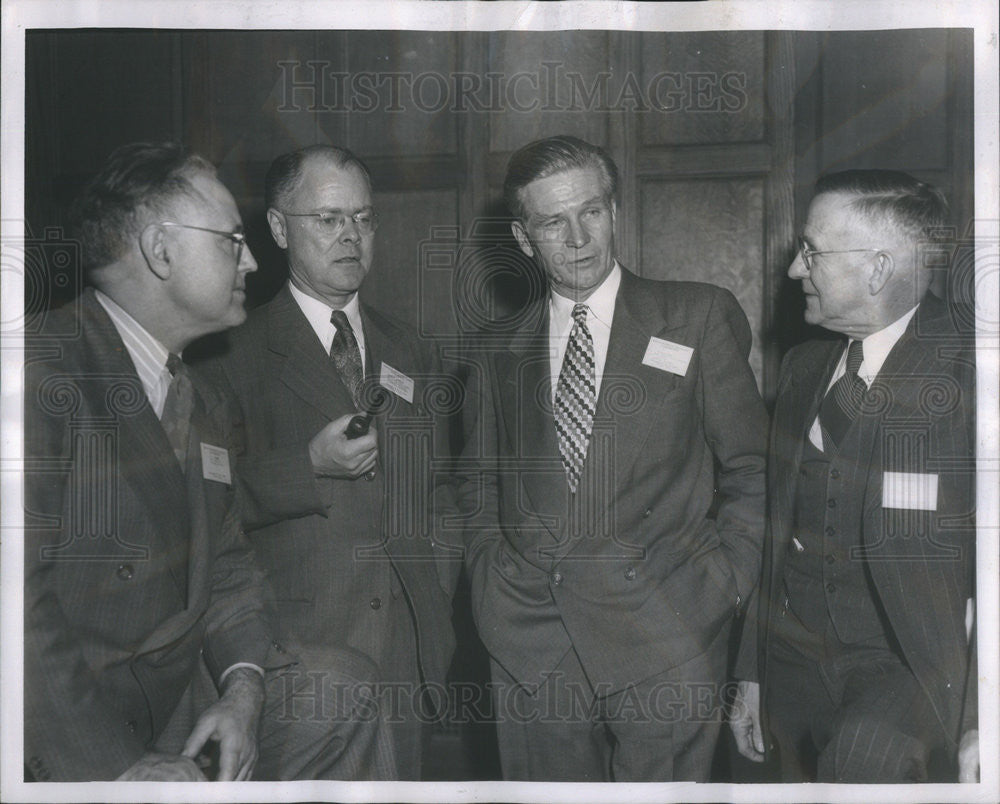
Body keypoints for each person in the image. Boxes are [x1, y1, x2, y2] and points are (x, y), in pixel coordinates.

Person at [23, 142, 395, 782]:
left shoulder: (195, 392)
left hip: (171, 698)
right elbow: (12, 613)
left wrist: (243, 693)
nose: (251, 259)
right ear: (161, 250)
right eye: (230, 240)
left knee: (342, 688)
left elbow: (226, 571)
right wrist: (118, 770)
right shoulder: (38, 374)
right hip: (56, 722)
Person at [457, 134, 768, 781]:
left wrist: (722, 587)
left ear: (616, 213)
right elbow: (477, 489)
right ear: (523, 239)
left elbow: (752, 472)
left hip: (667, 631)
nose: (577, 238)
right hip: (532, 643)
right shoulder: (494, 348)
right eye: (552, 221)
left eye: (591, 212)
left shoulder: (696, 316)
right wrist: (490, 582)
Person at [197, 144, 458, 780]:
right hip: (297, 663)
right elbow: (203, 516)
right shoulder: (225, 354)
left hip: (406, 655)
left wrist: (436, 591)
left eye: (364, 219)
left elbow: (443, 493)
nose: (351, 237)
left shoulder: (411, 350)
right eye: (328, 219)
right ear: (280, 229)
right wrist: (307, 465)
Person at [729, 169, 978, 783]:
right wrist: (752, 671)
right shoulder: (803, 367)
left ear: (877, 268)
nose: (793, 270)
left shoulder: (974, 369)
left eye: (812, 251)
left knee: (863, 764)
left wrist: (980, 716)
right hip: (792, 662)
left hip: (908, 664)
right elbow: (773, 531)